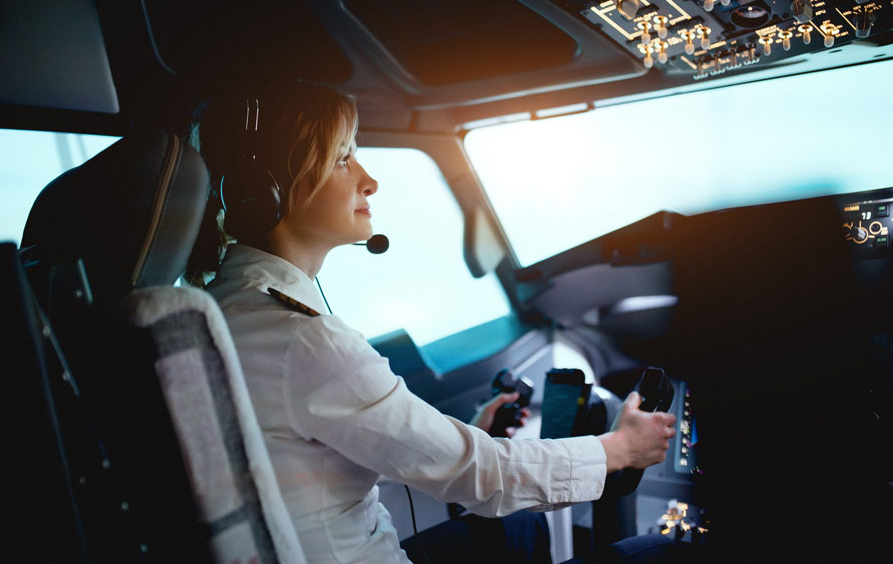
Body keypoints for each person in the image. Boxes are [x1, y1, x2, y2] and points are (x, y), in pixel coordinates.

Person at [188, 81, 677, 564]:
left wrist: (459, 432)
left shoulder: (222, 309)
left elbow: (307, 461)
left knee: (519, 525)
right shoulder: (302, 337)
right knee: (657, 550)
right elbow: (479, 475)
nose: (368, 180)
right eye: (343, 159)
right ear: (265, 192)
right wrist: (620, 448)